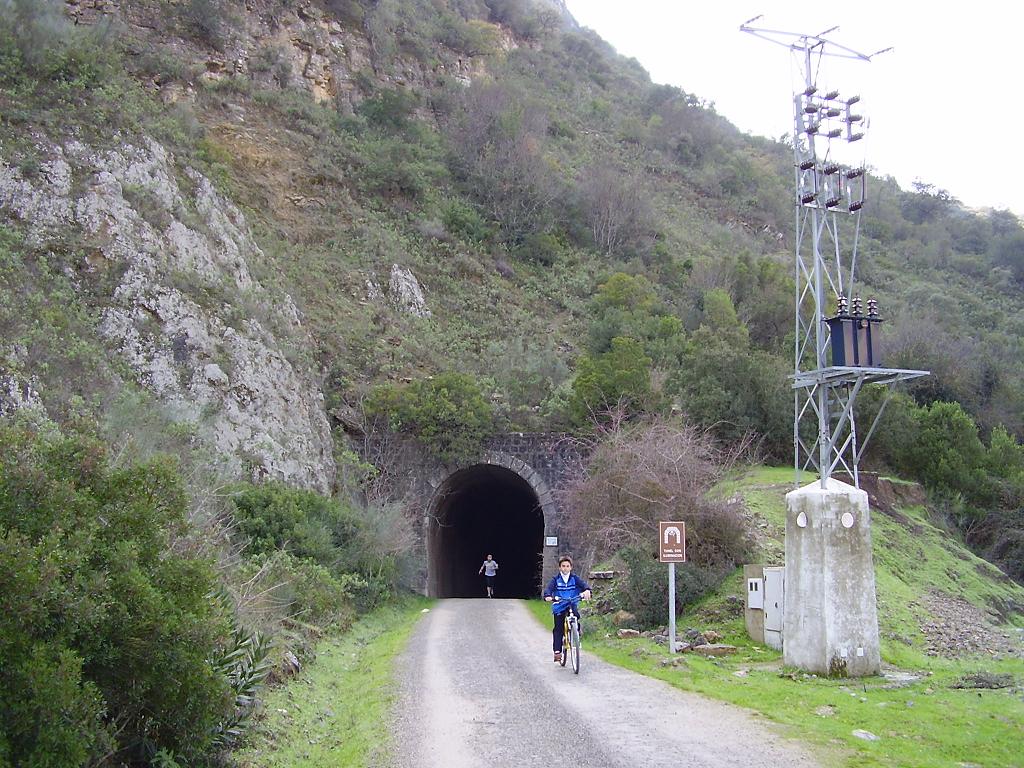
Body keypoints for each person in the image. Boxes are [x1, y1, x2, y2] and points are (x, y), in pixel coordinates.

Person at [542, 555, 591, 663]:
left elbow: (584, 585)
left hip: (571, 603)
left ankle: (576, 637)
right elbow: (548, 590)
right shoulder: (555, 580)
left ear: (571, 567)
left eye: (567, 566)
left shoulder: (574, 578)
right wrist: (548, 596)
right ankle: (557, 651)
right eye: (563, 566)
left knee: (576, 617)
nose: (565, 568)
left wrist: (587, 591)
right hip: (559, 605)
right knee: (558, 628)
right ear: (559, 568)